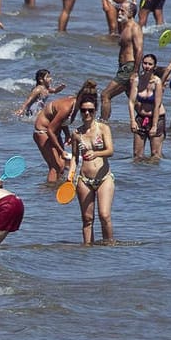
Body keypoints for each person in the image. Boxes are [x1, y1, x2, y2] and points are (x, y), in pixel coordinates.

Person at [71, 97, 114, 245]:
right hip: (84, 180)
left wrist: (96, 153)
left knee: (104, 215)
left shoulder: (103, 128)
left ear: (95, 111)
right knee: (87, 219)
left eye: (90, 110)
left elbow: (110, 151)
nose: (87, 113)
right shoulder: (76, 133)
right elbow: (75, 157)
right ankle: (88, 250)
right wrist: (71, 176)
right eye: (83, 110)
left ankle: (109, 247)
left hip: (104, 178)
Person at [131, 53, 166, 160]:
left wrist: (154, 125)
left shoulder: (157, 82)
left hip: (157, 119)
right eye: (145, 63)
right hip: (141, 118)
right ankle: (139, 176)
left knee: (155, 155)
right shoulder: (137, 81)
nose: (147, 66)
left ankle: (153, 176)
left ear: (154, 67)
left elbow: (157, 105)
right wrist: (132, 120)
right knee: (137, 155)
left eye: (150, 64)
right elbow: (131, 102)